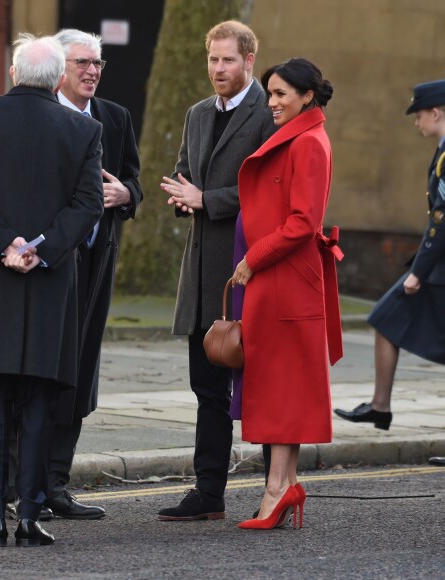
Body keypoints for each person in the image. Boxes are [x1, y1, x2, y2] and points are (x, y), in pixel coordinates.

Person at [0, 33, 104, 546]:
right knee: (37, 403)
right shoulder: (84, 129)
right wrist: (42, 249)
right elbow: (88, 204)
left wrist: (4, 243)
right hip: (50, 282)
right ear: (58, 78)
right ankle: (30, 517)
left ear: (14, 72)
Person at [6, 28, 143, 521]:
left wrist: (126, 196)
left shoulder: (115, 118)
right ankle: (23, 487)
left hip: (95, 263)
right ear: (58, 69)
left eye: (98, 63)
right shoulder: (32, 116)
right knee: (35, 373)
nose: (92, 71)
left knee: (79, 375)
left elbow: (133, 178)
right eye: (82, 62)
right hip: (45, 267)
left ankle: (56, 485)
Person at [158, 20, 276, 521]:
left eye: (228, 60)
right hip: (202, 275)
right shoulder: (197, 114)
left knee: (264, 387)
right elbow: (185, 175)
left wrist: (207, 200)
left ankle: (278, 484)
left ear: (249, 60)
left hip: (250, 270)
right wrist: (183, 201)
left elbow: (270, 191)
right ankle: (209, 494)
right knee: (206, 388)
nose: (218, 69)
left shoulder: (268, 112)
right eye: (213, 59)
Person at [232, 58, 343, 530]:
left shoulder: (310, 142)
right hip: (284, 280)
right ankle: (283, 484)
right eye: (270, 93)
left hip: (285, 277)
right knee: (283, 388)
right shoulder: (301, 136)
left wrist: (253, 258)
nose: (272, 102)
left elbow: (303, 222)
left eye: (280, 94)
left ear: (307, 96)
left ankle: (278, 490)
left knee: (281, 389)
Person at [334, 79, 445, 468]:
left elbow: (441, 220)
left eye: (418, 115)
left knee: (385, 317)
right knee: (385, 318)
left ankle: (381, 406)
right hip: (436, 265)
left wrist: (418, 271)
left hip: (438, 267)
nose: (416, 123)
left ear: (436, 112)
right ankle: (380, 406)